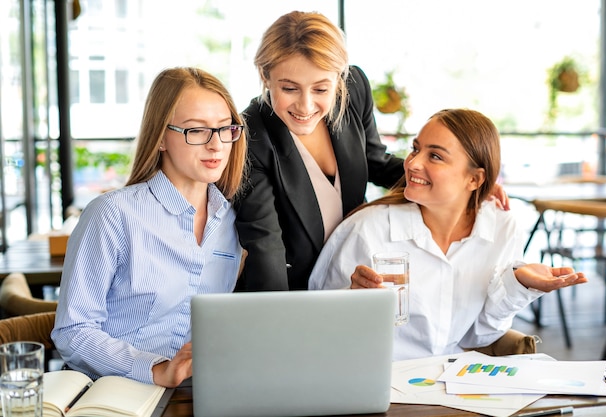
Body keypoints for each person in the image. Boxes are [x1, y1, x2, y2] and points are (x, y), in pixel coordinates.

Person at [235, 11, 510, 291]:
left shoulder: (354, 89)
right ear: (265, 76)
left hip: (353, 274)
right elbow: (265, 245)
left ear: (339, 79)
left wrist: (464, 188)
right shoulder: (250, 137)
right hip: (294, 289)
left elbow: (375, 162)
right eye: (290, 88)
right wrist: (275, 322)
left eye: (321, 89)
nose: (305, 106)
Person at [308, 108, 587, 360]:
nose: (412, 163)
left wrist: (518, 285)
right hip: (379, 385)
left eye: (435, 156)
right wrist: (351, 300)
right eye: (416, 149)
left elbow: (481, 336)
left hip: (451, 386)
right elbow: (317, 330)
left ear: (474, 179)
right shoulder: (368, 228)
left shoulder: (502, 228)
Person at [51, 67, 248, 388]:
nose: (217, 145)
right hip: (112, 395)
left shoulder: (235, 224)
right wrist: (156, 369)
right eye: (196, 130)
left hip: (195, 397)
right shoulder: (112, 214)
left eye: (225, 129)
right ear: (160, 137)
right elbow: (74, 331)